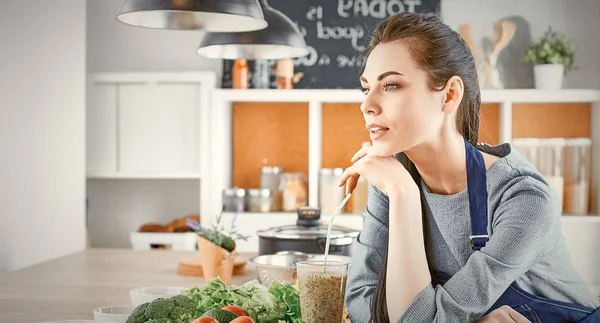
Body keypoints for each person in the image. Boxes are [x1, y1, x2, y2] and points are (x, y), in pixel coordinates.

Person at [339, 11, 600, 323]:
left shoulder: (523, 199)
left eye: (391, 85)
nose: (366, 104)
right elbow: (359, 301)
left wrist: (404, 194)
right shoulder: (394, 180)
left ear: (449, 95)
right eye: (366, 87)